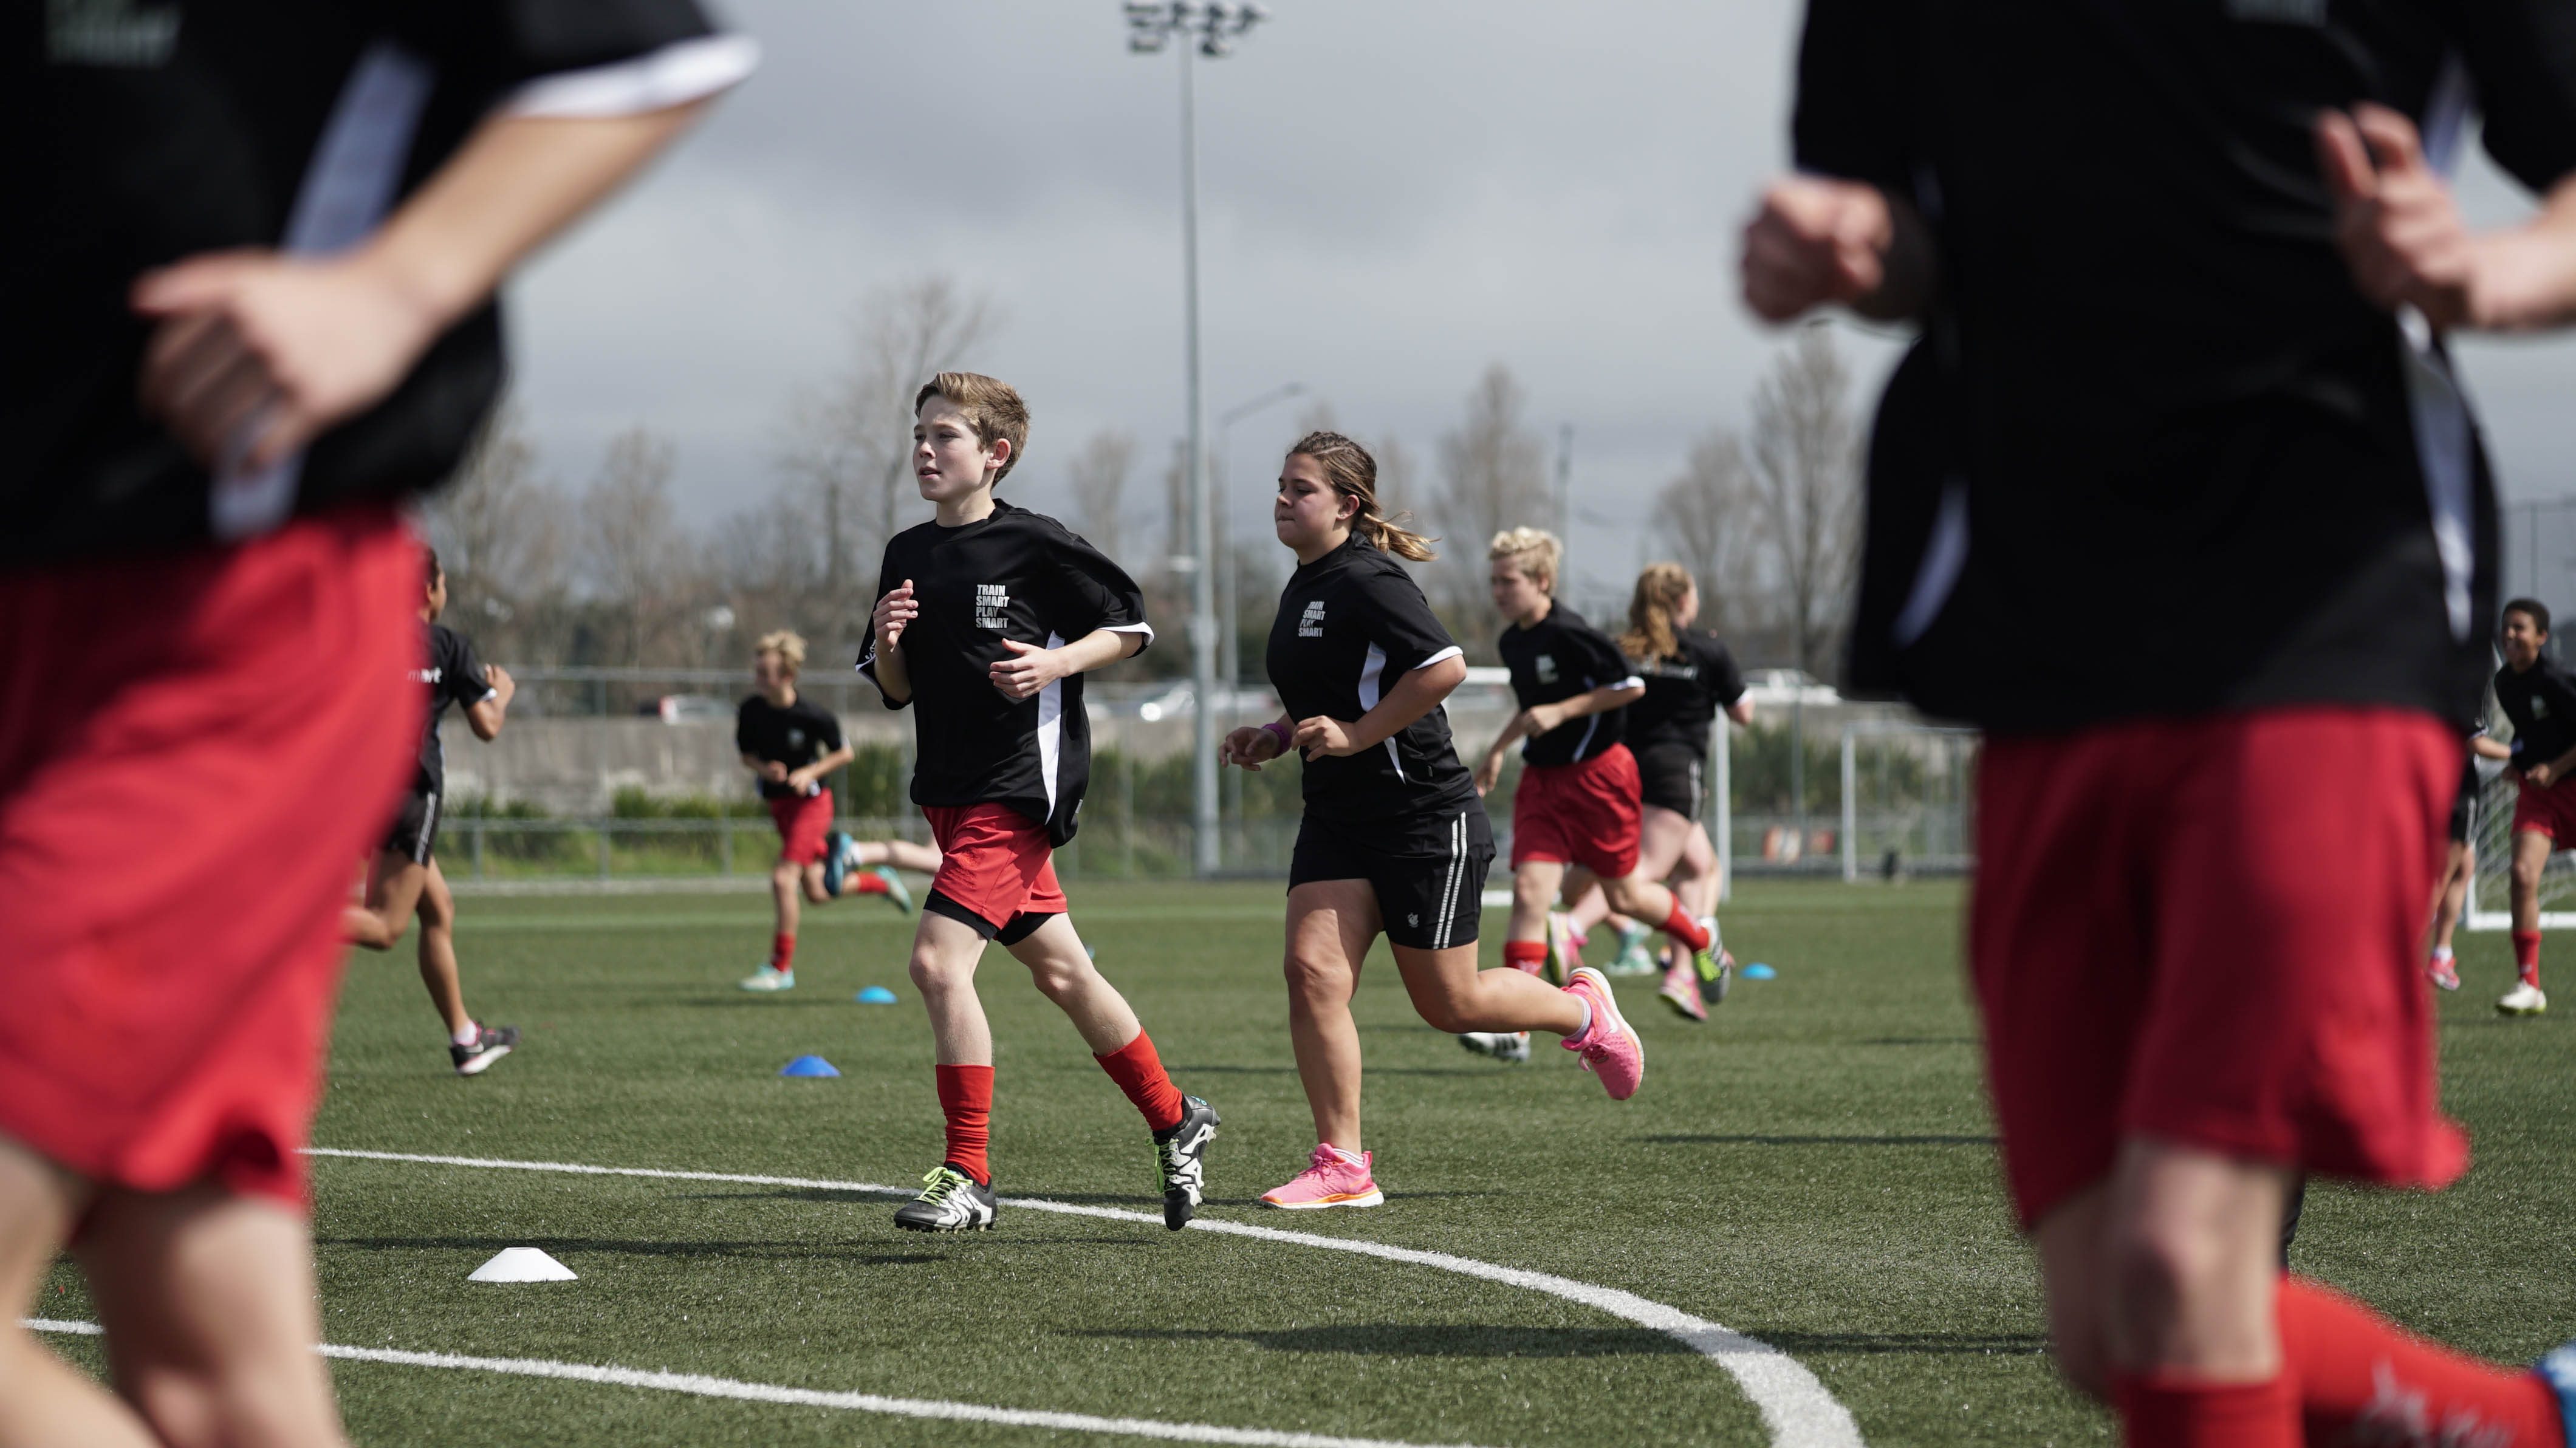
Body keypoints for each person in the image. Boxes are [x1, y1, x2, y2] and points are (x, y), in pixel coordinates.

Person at [1750, 1, 2576, 1443]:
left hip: (2325, 596)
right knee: (2106, 1325)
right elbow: (1895, 208)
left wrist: (2488, 270)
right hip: (2039, 625)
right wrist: (1850, 246)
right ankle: (2522, 1421)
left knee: (2177, 1263)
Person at [1, 9, 747, 1446]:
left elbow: (649, 51)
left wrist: (395, 286)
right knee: (222, 1365)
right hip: (46, 624)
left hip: (212, 634)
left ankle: (461, 1019)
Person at [1222, 434, 1643, 1209]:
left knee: (1451, 1005)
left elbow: (1441, 667)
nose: (1282, 499)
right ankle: (1343, 1164)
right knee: (1311, 973)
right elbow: (1331, 689)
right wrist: (1277, 736)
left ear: (1347, 505)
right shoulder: (1302, 585)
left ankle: (1584, 1010)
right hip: (1338, 820)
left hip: (1424, 817)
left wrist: (1354, 736)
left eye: (1300, 488)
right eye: (1280, 485)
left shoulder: (1370, 578)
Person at [859, 372, 1217, 1233]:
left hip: (1018, 788)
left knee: (938, 966)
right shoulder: (907, 552)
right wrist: (885, 640)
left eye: (945, 435)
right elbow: (894, 691)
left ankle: (969, 1173)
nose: (925, 449)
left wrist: (1057, 663)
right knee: (1065, 974)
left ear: (995, 454)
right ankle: (1178, 1119)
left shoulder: (1036, 543)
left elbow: (1132, 627)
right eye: (920, 434)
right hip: (949, 793)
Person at [1468, 528, 1724, 1054]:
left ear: (1542, 581)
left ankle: (1701, 939)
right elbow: (1532, 706)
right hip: (1543, 782)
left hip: (1600, 780)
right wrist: (1497, 750)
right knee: (1530, 894)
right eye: (1493, 580)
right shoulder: (1512, 640)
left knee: (1623, 894)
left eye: (1508, 581)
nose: (1498, 591)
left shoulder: (1571, 632)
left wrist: (1565, 710)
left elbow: (1630, 687)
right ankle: (1516, 1030)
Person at [343, 547, 523, 1074]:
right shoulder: (447, 646)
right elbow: (487, 726)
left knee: (437, 909)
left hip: (363, 792)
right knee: (383, 926)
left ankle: (466, 1038)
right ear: (429, 590)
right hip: (413, 795)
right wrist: (504, 693)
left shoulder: (363, 637)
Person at [1567, 562, 1751, 1020]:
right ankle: (1568, 927)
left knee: (1701, 866)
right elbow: (1743, 713)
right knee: (1643, 873)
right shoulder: (1706, 649)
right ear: (1684, 601)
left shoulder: (1620, 649)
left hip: (1622, 770)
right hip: (1675, 774)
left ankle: (1683, 974)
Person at [735, 630, 917, 994]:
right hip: (781, 809)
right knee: (817, 891)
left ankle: (780, 968)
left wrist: (810, 772)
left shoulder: (812, 715)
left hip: (812, 807)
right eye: (757, 672)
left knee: (783, 879)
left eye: (765, 673)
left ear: (787, 676)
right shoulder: (751, 711)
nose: (758, 680)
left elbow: (844, 753)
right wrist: (764, 768)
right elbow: (746, 755)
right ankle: (879, 881)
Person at [2492, 599, 2576, 1016]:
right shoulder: (2506, 683)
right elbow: (2532, 733)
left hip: (2571, 782)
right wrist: (2517, 762)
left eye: (2520, 628)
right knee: (2523, 874)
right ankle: (2529, 983)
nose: (2510, 635)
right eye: (2506, 628)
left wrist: (2557, 768)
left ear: (2541, 638)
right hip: (2541, 792)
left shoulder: (2558, 680)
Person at [2427, 728, 2513, 993]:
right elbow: (2474, 742)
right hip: (2453, 780)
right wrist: (2519, 753)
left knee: (2464, 868)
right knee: (2439, 878)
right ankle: (2399, 964)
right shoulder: (2463, 686)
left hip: (2433, 771)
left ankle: (2441, 954)